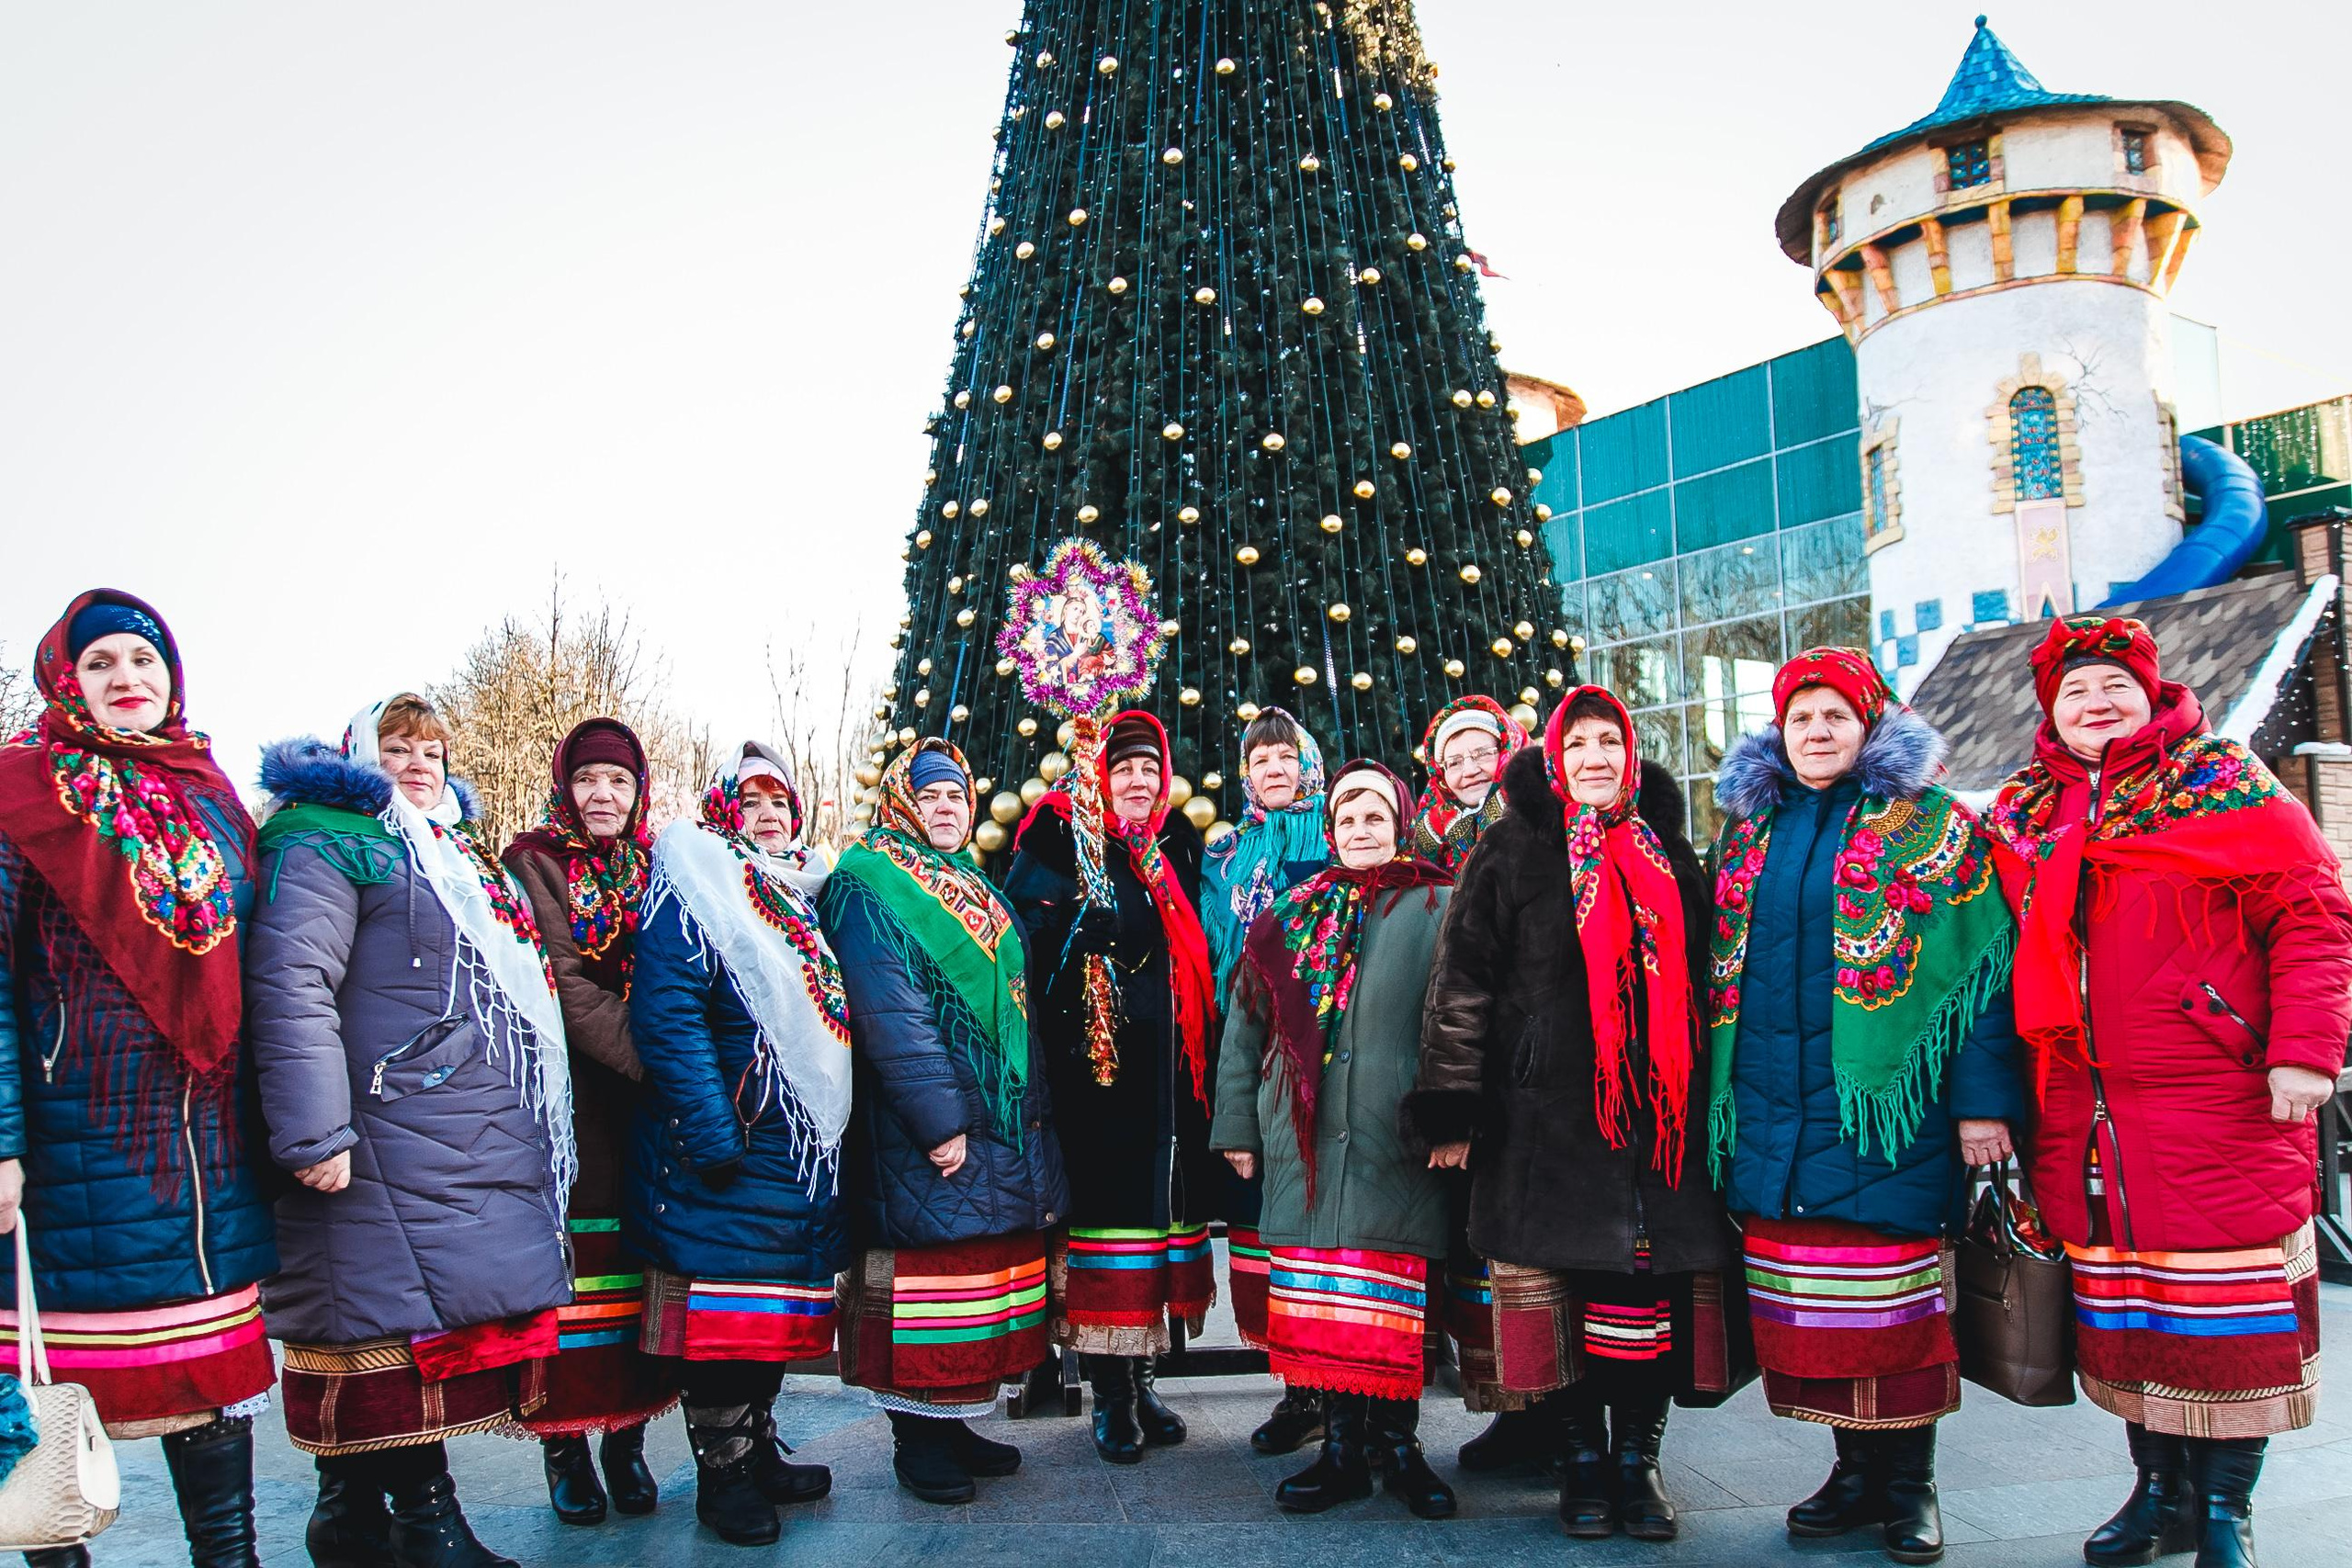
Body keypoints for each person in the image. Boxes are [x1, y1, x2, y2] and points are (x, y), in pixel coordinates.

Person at [1986, 615, 2352, 1568]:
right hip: (2082, 1109)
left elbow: (2313, 917)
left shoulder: (2224, 784)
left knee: (2228, 1320)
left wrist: (2304, 1052)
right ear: (2050, 712)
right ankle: (2159, 1496)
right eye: (2075, 691)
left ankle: (2226, 1510)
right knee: (2130, 1313)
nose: (2095, 704)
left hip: (2220, 1096)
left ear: (2150, 693)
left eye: (2114, 685)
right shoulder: (2024, 811)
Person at [1706, 649, 2024, 1567]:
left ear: (1869, 725)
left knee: (1894, 1309)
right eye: (1800, 717)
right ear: (1780, 731)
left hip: (1888, 1113)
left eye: (1834, 717)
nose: (1816, 732)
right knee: (1813, 1308)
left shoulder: (1930, 826)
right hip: (1774, 1108)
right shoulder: (1747, 832)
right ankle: (1850, 1474)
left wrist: (1979, 1106)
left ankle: (1909, 1483)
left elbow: (1979, 974)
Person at [247, 694, 573, 1568]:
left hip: (438, 1131)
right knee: (378, 1330)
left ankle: (350, 1517)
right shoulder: (326, 837)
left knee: (388, 1331)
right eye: (396, 748)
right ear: (360, 756)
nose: (419, 762)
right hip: (374, 1132)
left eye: (431, 748)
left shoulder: (446, 853)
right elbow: (291, 984)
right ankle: (427, 1525)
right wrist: (316, 1134)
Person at [1408, 687, 1738, 1543]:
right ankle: (1580, 1462)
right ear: (1555, 758)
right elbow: (1461, 986)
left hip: (1658, 1127)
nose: (1595, 758)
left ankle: (1639, 1460)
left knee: (1644, 1299)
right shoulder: (1511, 847)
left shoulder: (1669, 847)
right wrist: (1451, 1105)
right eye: (1579, 744)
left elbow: (1709, 975)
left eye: (1609, 742)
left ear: (1630, 753)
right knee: (1559, 1298)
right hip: (1542, 1121)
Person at [0, 591, 278, 1568]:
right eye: (101, 663)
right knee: (59, 1385)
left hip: (206, 1141)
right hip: (78, 1137)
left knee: (208, 1380)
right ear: (64, 681)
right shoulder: (19, 793)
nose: (126, 680)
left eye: (144, 661)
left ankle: (229, 1561)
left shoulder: (210, 793)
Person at [820, 738, 1069, 1504]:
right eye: (929, 796)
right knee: (928, 1289)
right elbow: (892, 1012)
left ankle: (955, 1421)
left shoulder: (968, 881)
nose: (945, 808)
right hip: (926, 1126)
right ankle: (916, 1441)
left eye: (956, 796)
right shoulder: (869, 884)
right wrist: (939, 1121)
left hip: (995, 1119)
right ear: (901, 802)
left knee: (975, 1283)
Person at [1211, 761, 1457, 1519]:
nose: (1360, 830)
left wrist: (1455, 1119)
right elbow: (1244, 1030)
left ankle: (1401, 1445)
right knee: (1323, 1298)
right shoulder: (1287, 916)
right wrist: (1238, 1126)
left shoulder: (1439, 905)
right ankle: (1342, 1449)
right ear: (1331, 829)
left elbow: (1460, 1021)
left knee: (1390, 1299)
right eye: (1348, 818)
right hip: (1303, 1139)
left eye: (1375, 817)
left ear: (1400, 823)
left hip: (1397, 1137)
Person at [628, 741, 848, 1547]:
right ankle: (721, 1476)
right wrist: (712, 1126)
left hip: (788, 1156)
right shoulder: (697, 885)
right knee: (723, 1320)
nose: (767, 817)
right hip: (726, 1145)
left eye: (779, 804)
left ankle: (756, 1450)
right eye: (750, 803)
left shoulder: (802, 897)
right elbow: (669, 1012)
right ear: (724, 809)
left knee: (766, 1315)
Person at [1002, 710, 1218, 1467]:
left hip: (1168, 1087)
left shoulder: (1172, 850)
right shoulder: (1057, 839)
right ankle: (1111, 1394)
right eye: (1122, 767)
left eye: (1148, 769)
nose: (1137, 780)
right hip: (1097, 1086)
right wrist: (1070, 940)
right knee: (1107, 1233)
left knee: (1153, 1231)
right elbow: (1021, 952)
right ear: (1101, 774)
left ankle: (1146, 1376)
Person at [500, 718, 673, 1526]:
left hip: (648, 1110)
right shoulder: (533, 861)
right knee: (576, 1278)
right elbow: (560, 978)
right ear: (565, 787)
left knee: (638, 1273)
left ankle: (628, 1442)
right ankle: (566, 1447)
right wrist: (658, 1055)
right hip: (572, 1103)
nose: (604, 795)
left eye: (620, 782)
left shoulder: (657, 866)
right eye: (589, 781)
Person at [1406, 693, 1540, 1466]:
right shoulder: (1424, 834)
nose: (1463, 765)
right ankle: (1508, 1404)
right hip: (1454, 1055)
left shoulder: (1529, 824)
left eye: (1477, 751)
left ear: (1506, 748)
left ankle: (1546, 1407)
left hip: (1519, 1056)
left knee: (1521, 1237)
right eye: (1450, 755)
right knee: (1474, 1240)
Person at [1198, 706, 1331, 1457]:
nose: (1273, 768)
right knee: (1264, 1231)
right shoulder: (1225, 854)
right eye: (1260, 759)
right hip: (1251, 1054)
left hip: (1325, 1056)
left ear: (1306, 763)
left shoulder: (1338, 831)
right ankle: (1297, 1389)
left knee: (1326, 1227)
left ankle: (1351, 1389)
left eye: (1285, 755)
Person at [1407, 694, 1529, 873]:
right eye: (1454, 763)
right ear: (1440, 774)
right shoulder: (1431, 828)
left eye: (1483, 754)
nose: (1470, 771)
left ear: (1508, 752)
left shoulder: (1541, 813)